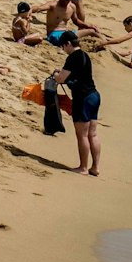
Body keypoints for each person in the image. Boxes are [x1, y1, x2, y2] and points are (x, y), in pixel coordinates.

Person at [52, 31, 101, 176]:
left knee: (82, 135)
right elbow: (76, 74)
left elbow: (60, 79)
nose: (63, 50)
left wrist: (55, 75)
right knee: (93, 134)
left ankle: (83, 167)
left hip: (83, 97)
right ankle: (95, 167)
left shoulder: (73, 57)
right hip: (94, 95)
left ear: (68, 44)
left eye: (63, 46)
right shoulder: (85, 56)